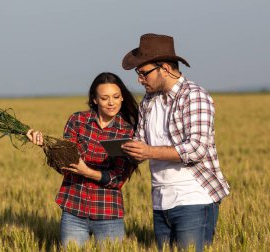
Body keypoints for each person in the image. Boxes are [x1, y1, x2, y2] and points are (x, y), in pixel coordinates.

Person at [121, 33, 230, 251]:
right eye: (138, 74)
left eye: (144, 73)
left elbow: (196, 149)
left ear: (166, 69)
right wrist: (128, 149)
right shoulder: (148, 102)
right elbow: (141, 142)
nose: (140, 79)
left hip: (194, 199)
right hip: (161, 201)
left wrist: (148, 151)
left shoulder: (194, 96)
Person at [26, 72, 139, 248]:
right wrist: (44, 146)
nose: (111, 102)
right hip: (73, 211)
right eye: (104, 98)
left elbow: (118, 179)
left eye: (116, 97)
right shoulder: (77, 120)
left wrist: (86, 171)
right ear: (94, 99)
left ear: (122, 97)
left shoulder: (128, 132)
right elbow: (64, 165)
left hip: (108, 214)